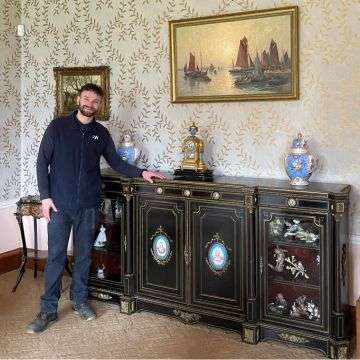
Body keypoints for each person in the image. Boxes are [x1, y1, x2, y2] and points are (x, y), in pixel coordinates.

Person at [26, 83, 165, 333]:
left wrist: (142, 172)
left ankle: (79, 301)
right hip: (58, 205)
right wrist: (45, 197)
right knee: (56, 257)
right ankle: (47, 310)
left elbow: (117, 162)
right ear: (78, 99)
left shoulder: (100, 133)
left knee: (84, 257)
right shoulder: (57, 127)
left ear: (99, 106)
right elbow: (41, 162)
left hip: (88, 206)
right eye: (87, 99)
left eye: (95, 101)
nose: (90, 104)